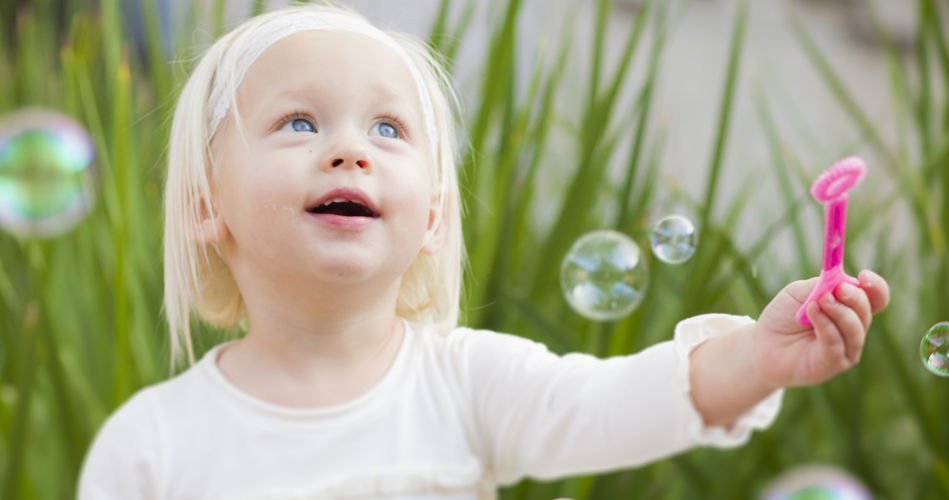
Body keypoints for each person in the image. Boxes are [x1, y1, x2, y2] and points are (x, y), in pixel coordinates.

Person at [76, 2, 891, 499]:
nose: (350, 150)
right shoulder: (150, 446)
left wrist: (756, 356)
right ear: (203, 206)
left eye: (387, 129)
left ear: (431, 217)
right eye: (298, 122)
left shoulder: (466, 383)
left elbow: (614, 403)